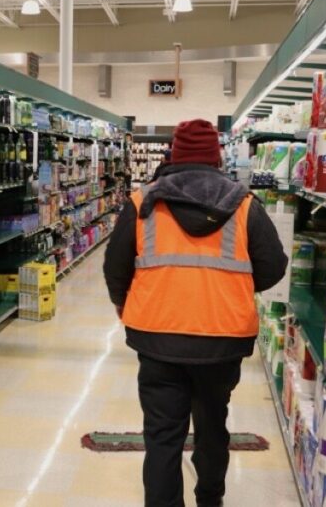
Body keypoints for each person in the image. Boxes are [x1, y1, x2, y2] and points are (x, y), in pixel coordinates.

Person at [103, 119, 288, 507]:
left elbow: (115, 267)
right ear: (217, 158)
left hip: (156, 337)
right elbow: (273, 267)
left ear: (174, 155)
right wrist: (231, 287)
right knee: (212, 427)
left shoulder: (142, 203)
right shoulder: (244, 205)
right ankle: (210, 499)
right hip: (222, 340)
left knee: (162, 437)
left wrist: (125, 303)